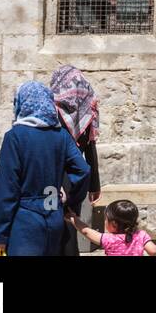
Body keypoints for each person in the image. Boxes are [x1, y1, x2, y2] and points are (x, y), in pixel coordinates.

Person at [0, 81, 90, 256]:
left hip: (25, 222)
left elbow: (7, 191)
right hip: (54, 216)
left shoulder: (14, 137)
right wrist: (70, 203)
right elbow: (83, 170)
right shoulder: (62, 136)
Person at [50, 64, 102, 256]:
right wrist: (94, 185)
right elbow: (90, 146)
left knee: (52, 217)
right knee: (71, 218)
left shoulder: (52, 109)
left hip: (52, 172)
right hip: (76, 174)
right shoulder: (88, 109)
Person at [66, 199, 156, 256]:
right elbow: (154, 251)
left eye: (106, 220)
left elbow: (86, 231)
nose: (105, 222)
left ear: (114, 224)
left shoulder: (108, 239)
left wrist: (73, 218)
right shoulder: (141, 235)